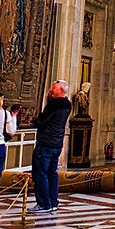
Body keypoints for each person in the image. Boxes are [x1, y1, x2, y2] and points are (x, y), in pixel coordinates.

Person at [31, 80, 72, 212]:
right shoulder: (67, 104)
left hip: (46, 142)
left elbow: (42, 121)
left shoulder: (53, 105)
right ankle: (53, 201)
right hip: (57, 143)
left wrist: (35, 120)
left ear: (61, 90)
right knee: (52, 172)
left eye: (53, 88)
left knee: (41, 173)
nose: (50, 90)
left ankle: (44, 203)